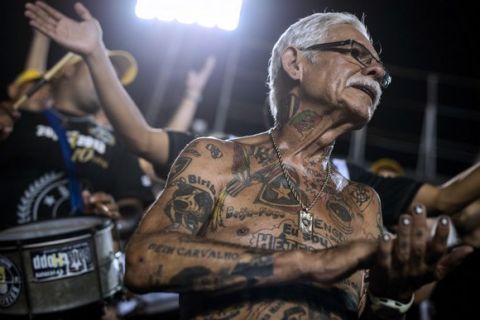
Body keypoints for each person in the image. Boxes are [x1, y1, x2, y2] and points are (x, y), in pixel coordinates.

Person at [25, 3, 473, 319]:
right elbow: (143, 261)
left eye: (382, 70)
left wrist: (394, 294)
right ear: (295, 63)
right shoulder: (216, 159)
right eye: (358, 55)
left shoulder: (365, 203)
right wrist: (314, 263)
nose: (376, 71)